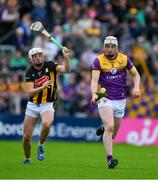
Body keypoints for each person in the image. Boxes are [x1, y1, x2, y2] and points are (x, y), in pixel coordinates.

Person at [91, 36, 141, 169]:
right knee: (110, 127)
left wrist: (136, 87)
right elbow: (94, 80)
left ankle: (103, 126)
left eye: (112, 46)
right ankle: (110, 159)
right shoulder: (99, 60)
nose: (109, 49)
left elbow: (136, 75)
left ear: (116, 47)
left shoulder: (124, 59)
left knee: (113, 134)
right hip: (104, 96)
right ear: (104, 47)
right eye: (107, 46)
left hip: (121, 99)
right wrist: (94, 94)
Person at [22, 47, 71, 164]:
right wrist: (42, 87)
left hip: (47, 103)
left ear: (43, 56)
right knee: (26, 137)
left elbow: (67, 70)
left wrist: (66, 57)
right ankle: (27, 158)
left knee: (47, 123)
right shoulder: (29, 72)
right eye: (35, 56)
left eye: (39, 55)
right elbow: (29, 92)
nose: (38, 57)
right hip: (32, 105)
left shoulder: (51, 65)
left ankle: (40, 144)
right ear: (30, 59)